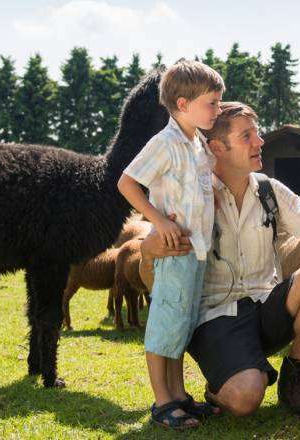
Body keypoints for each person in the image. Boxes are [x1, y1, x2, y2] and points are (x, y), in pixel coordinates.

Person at [141, 102, 300, 420]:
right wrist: (149, 252)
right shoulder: (190, 198)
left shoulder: (270, 191)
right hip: (215, 318)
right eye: (247, 136)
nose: (259, 142)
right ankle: (219, 386)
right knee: (244, 400)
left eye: (256, 134)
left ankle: (295, 375)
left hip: (266, 305)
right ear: (216, 147)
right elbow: (153, 274)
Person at [117, 60, 223, 429]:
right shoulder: (164, 143)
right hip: (175, 251)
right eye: (211, 103)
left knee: (180, 326)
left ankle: (179, 396)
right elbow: (127, 183)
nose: (217, 109)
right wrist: (158, 221)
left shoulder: (196, 145)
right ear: (182, 104)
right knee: (164, 324)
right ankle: (162, 402)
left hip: (196, 251)